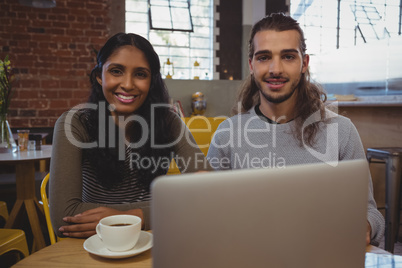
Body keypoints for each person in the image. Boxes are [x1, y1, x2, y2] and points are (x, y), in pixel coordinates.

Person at [206, 13, 384, 246]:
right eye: (264, 57)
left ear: (304, 63)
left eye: (288, 56)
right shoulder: (227, 135)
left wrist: (366, 225)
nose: (275, 68)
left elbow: (370, 211)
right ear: (251, 65)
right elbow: (207, 213)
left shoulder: (341, 131)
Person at [50, 33, 211, 238]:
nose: (127, 84)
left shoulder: (168, 122)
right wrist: (165, 209)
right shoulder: (75, 123)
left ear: (151, 80)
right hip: (94, 241)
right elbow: (64, 217)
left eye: (140, 74)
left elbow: (208, 192)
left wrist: (130, 216)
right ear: (100, 76)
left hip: (153, 238)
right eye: (116, 71)